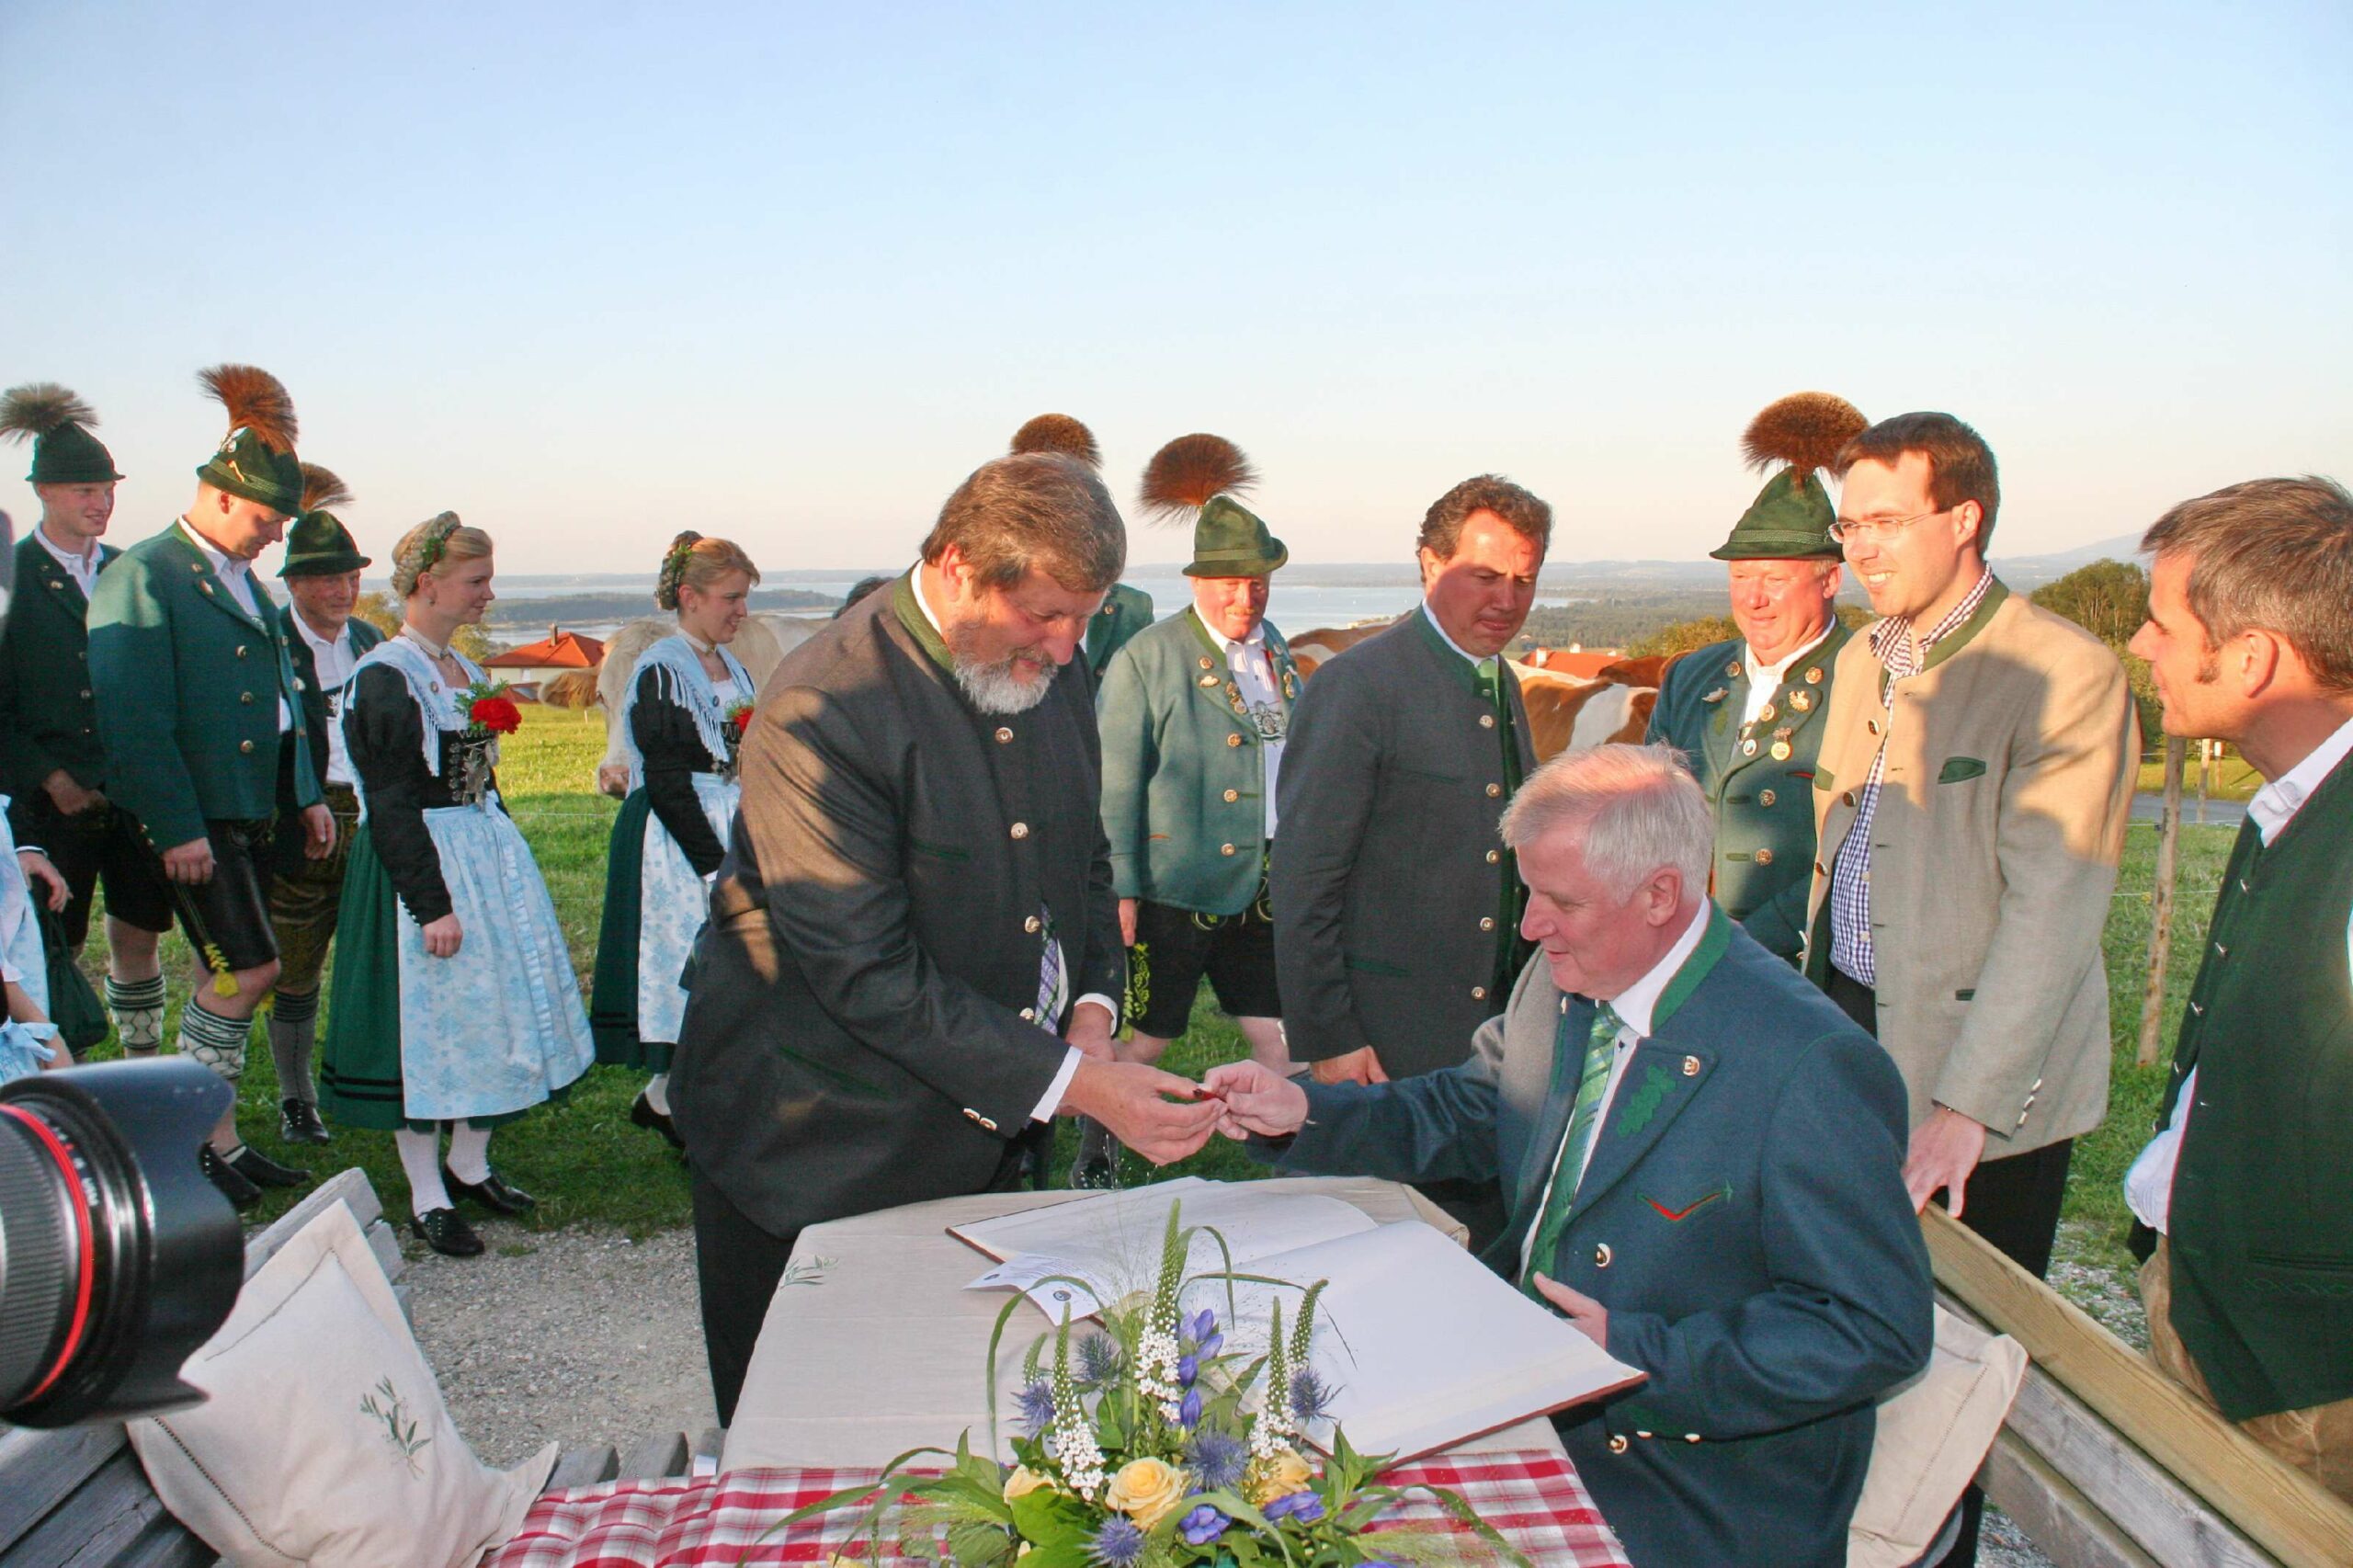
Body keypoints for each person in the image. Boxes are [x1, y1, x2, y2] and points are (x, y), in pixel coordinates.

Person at [1211, 744, 1932, 1567]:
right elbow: (1476, 1107)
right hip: (1522, 1379)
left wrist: (1635, 1356)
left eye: (1561, 901)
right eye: (1528, 893)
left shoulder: (1807, 1064)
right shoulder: (1569, 975)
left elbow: (1874, 1327)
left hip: (1679, 1475)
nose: (1529, 926)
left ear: (1660, 894)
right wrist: (1304, 1111)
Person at [671, 450, 1223, 1424]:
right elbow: (867, 973)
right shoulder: (821, 707)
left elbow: (1083, 860)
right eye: (1044, 614)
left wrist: (1093, 1010)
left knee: (969, 1426)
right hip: (817, 1152)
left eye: (1083, 618)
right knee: (815, 1441)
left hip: (988, 1136)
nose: (1066, 648)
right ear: (960, 564)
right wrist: (1077, 1084)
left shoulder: (1049, 662)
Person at [1804, 411, 2136, 1563]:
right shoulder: (1863, 657)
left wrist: (1967, 1108)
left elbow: (2054, 913)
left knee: (1954, 1368)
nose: (1860, 547)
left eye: (1886, 521)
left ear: (1964, 517)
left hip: (1979, 1079)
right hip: (1851, 1037)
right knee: (1847, 1319)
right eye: (1849, 526)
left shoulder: (2063, 674)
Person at [2122, 476, 2353, 1502]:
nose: (2142, 645)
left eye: (2165, 625)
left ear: (2252, 658)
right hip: (2234, 1332)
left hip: (2310, 1388)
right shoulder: (2295, 802)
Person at [1270, 472, 1551, 1244]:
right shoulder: (1360, 686)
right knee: (1368, 1252)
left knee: (1467, 1251)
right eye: (1485, 576)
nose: (1507, 600)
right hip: (1385, 1044)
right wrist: (1329, 1039)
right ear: (1429, 564)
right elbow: (1303, 882)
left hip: (1480, 1050)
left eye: (1525, 580)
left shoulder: (1499, 683)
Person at [87, 365, 333, 1210]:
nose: (275, 535)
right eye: (267, 518)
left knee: (218, 973)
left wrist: (304, 791)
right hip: (195, 820)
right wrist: (175, 826)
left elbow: (284, 695)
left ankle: (219, 1141)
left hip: (247, 810)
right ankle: (179, 1141)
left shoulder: (236, 576)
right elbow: (132, 717)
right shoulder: (146, 574)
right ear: (223, 495)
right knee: (251, 971)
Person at [318, 514, 595, 1257]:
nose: (487, 595)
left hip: (480, 851)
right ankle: (426, 1193)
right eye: (476, 581)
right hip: (419, 862)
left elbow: (478, 779)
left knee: (490, 1011)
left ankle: (469, 1164)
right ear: (427, 584)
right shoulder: (386, 677)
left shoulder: (464, 671)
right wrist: (431, 906)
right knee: (429, 1028)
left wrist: (504, 861)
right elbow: (389, 802)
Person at [1082, 433, 1298, 1186]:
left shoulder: (1277, 651)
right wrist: (1120, 890)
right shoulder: (1149, 657)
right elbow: (1115, 780)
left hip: (1263, 887)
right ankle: (1096, 1148)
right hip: (1176, 887)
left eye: (1258, 583)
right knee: (1148, 1038)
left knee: (1278, 1036)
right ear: (1200, 581)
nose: (1247, 599)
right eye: (1232, 584)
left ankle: (1292, 1155)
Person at [1645, 392, 1864, 962]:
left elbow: (1861, 847)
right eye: (1741, 577)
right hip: (1679, 948)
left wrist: (1744, 945)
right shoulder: (1691, 677)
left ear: (1830, 580)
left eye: (1775, 579)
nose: (1753, 598)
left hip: (1801, 963)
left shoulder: (1869, 679)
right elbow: (1646, 814)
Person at [0, 383, 176, 1056]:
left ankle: (139, 1062)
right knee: (53, 944)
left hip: (129, 794)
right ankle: (55, 1075)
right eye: (85, 490)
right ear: (44, 491)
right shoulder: (12, 575)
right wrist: (51, 779)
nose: (101, 502)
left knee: (139, 933)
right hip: (47, 805)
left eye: (107, 489)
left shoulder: (130, 571)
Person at [590, 531, 759, 1147]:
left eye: (743, 598)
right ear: (690, 597)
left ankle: (670, 1099)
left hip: (725, 816)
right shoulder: (663, 670)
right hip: (676, 835)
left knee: (727, 963)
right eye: (730, 598)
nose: (741, 611)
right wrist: (713, 866)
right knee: (683, 959)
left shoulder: (730, 666)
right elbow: (665, 778)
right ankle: (680, 1102)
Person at [263, 464, 382, 1145]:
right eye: (328, 579)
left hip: (373, 816)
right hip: (305, 819)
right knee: (296, 967)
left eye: (350, 577)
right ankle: (295, 1096)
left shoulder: (370, 642)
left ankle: (378, 1084)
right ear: (295, 584)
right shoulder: (271, 645)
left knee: (379, 959)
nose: (343, 590)